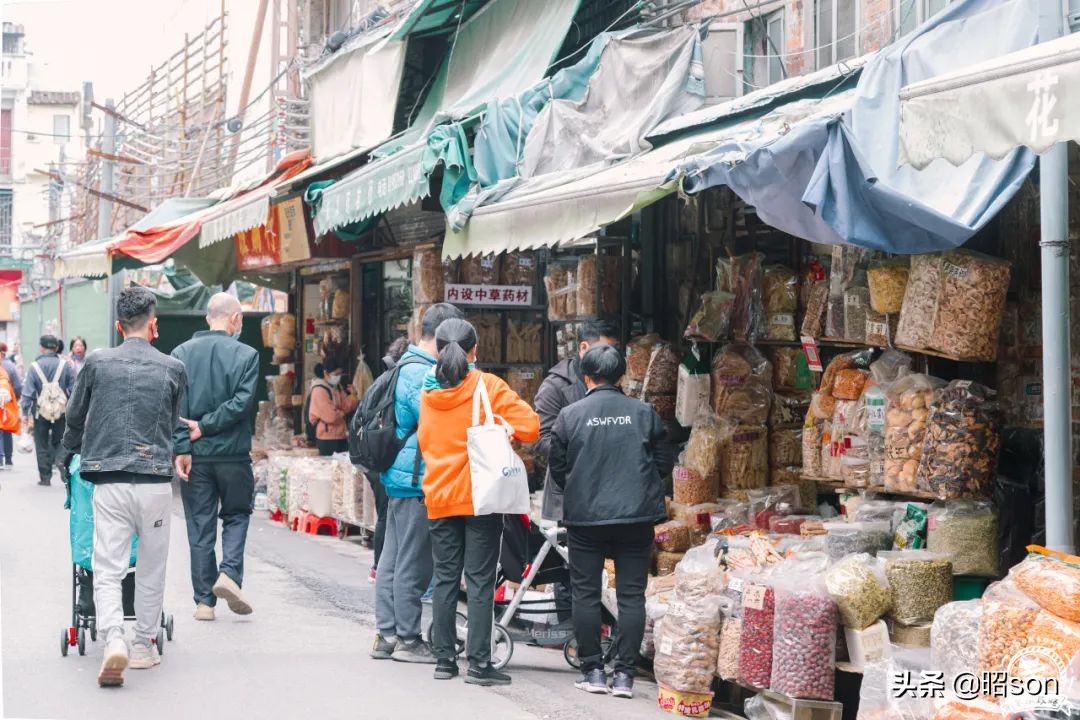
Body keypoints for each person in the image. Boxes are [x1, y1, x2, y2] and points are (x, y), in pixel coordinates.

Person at [60, 287, 187, 687]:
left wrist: (66, 456)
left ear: (118, 326)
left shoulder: (96, 363)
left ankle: (114, 636)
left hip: (109, 480)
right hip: (154, 485)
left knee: (108, 567)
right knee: (151, 567)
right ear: (154, 325)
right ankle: (145, 645)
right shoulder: (172, 367)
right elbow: (175, 422)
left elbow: (75, 417)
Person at [419, 318, 540, 686]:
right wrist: (505, 426)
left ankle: (443, 661)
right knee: (480, 581)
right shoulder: (487, 386)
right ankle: (479, 664)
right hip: (479, 498)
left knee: (444, 579)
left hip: (439, 497)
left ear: (439, 350)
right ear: (474, 351)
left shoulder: (428, 392)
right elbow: (532, 427)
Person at [548, 345, 673, 699]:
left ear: (585, 376)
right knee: (632, 595)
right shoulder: (643, 413)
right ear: (621, 376)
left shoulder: (570, 416)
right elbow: (664, 461)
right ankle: (625, 677)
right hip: (636, 516)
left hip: (586, 519)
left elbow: (557, 469)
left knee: (585, 593)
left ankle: (593, 671)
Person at [371, 306, 462, 663]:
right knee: (412, 561)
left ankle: (387, 633)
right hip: (416, 478)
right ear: (442, 336)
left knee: (392, 558)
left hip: (399, 475)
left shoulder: (405, 365)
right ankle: (408, 638)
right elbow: (436, 422)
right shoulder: (422, 373)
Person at [171, 292, 261, 622]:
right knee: (237, 514)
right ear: (235, 318)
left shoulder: (180, 353)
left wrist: (183, 445)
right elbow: (242, 403)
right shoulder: (247, 354)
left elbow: (175, 407)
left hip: (196, 457)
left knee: (200, 526)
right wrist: (208, 426)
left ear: (207, 317)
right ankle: (230, 574)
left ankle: (204, 603)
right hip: (234, 455)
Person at [535, 317, 619, 522]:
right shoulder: (555, 386)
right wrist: (585, 451)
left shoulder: (615, 380)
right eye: (605, 349)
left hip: (610, 490)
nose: (611, 356)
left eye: (615, 350)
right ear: (583, 348)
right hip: (570, 492)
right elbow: (542, 439)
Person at [366, 336, 410, 584]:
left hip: (376, 456)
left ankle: (382, 569)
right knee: (387, 515)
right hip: (389, 458)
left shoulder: (383, 380)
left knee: (386, 514)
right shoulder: (401, 381)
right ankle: (381, 568)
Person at [21, 334, 76, 486]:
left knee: (42, 443)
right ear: (56, 347)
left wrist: (25, 413)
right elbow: (73, 390)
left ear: (42, 347)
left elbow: (28, 393)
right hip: (61, 411)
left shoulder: (34, 367)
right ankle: (60, 460)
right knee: (61, 441)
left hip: (40, 412)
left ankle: (45, 477)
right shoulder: (65, 366)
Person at [308, 356, 358, 456]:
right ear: (326, 373)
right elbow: (331, 416)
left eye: (340, 373)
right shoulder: (319, 390)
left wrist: (353, 396)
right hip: (326, 438)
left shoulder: (336, 387)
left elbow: (345, 406)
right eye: (336, 374)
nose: (338, 377)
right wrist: (342, 413)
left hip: (341, 435)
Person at [0, 342, 23, 470]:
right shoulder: (11, 366)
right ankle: (8, 458)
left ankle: (0, 458)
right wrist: (16, 397)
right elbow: (18, 386)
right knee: (7, 429)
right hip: (8, 402)